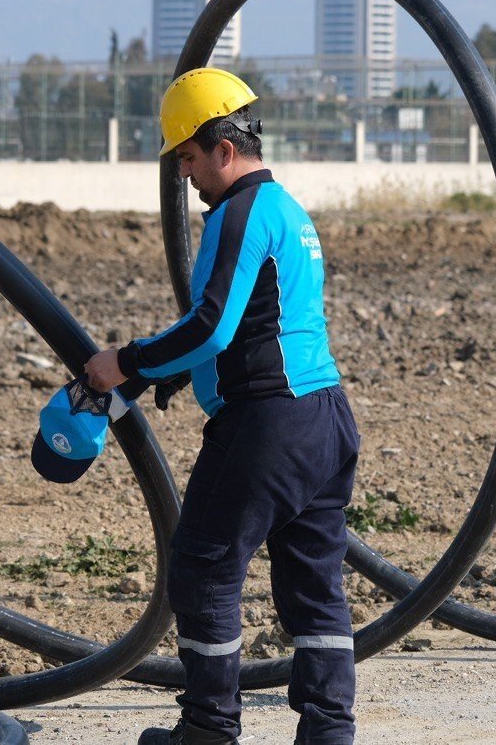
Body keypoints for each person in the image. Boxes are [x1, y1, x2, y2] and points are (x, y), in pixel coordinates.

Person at [84, 67, 359, 745]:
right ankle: (329, 731)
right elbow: (263, 320)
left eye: (188, 158)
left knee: (204, 563)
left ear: (223, 150)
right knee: (315, 582)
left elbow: (212, 324)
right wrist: (175, 377)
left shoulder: (238, 213)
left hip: (267, 422)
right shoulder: (288, 210)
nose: (185, 176)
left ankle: (207, 729)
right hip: (326, 418)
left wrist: (126, 361)